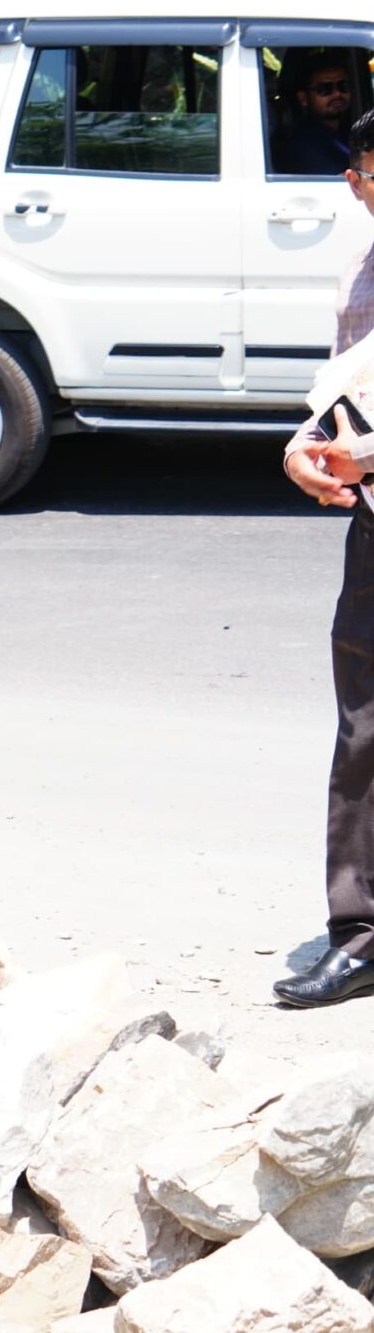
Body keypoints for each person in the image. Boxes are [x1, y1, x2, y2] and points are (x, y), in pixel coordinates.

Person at [275, 110, 374, 1009]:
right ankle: (362, 934)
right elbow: (344, 395)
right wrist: (304, 448)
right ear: (357, 183)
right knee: (365, 733)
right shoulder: (360, 269)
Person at [272, 53, 357, 177]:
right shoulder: (301, 146)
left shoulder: (352, 131)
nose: (337, 94)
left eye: (343, 86)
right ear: (303, 98)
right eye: (324, 89)